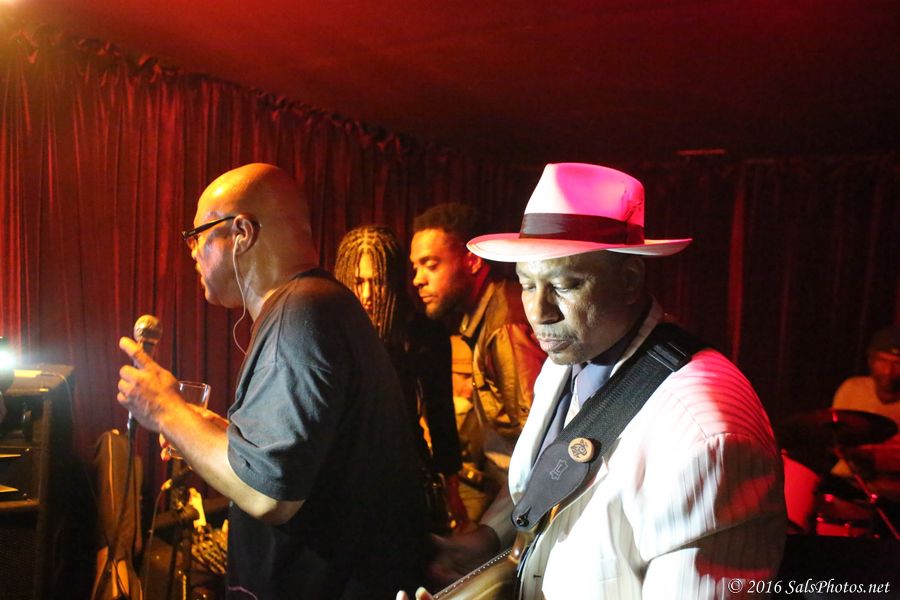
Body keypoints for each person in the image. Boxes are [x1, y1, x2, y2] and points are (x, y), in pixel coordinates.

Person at [401, 163, 785, 599]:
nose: (539, 312)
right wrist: (491, 538)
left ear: (629, 280)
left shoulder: (703, 435)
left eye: (565, 285)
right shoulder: (567, 360)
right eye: (527, 285)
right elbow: (550, 476)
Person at [117, 163, 426, 598]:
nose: (192, 251)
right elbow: (308, 457)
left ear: (241, 233)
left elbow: (269, 493)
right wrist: (202, 428)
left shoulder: (299, 315)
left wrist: (163, 409)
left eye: (197, 235)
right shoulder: (320, 303)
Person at [410, 203, 546, 520]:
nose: (418, 279)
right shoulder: (486, 315)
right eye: (415, 268)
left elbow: (538, 441)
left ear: (472, 261)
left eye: (431, 265)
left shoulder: (504, 328)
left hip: (522, 499)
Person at [333, 225, 466, 531]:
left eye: (377, 282)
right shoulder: (330, 332)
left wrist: (452, 489)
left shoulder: (423, 333)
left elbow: (441, 417)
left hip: (403, 473)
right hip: (344, 476)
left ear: (393, 281)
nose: (367, 295)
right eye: (358, 282)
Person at [830, 326, 900, 503]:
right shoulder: (853, 388)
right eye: (882, 361)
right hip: (846, 482)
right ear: (870, 361)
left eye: (897, 363)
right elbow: (833, 436)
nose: (888, 371)